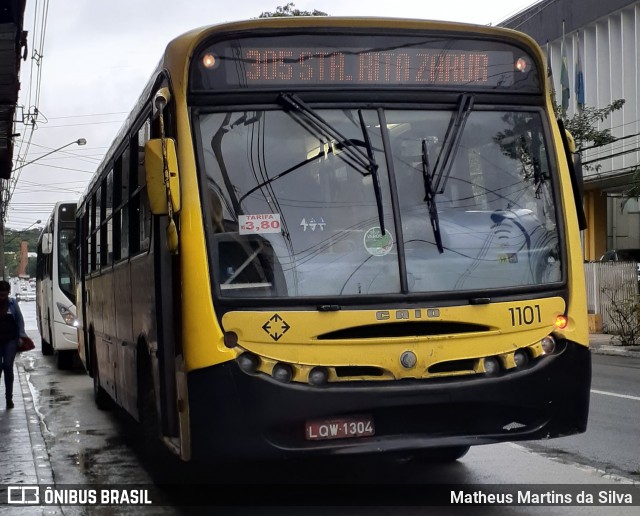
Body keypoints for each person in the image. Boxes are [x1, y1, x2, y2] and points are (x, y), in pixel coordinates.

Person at [0, 280, 29, 409]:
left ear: (8, 293)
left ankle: (9, 398)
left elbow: (20, 320)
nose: (2, 297)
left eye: (4, 294)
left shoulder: (13, 304)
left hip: (10, 340)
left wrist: (21, 336)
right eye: (0, 294)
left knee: (7, 366)